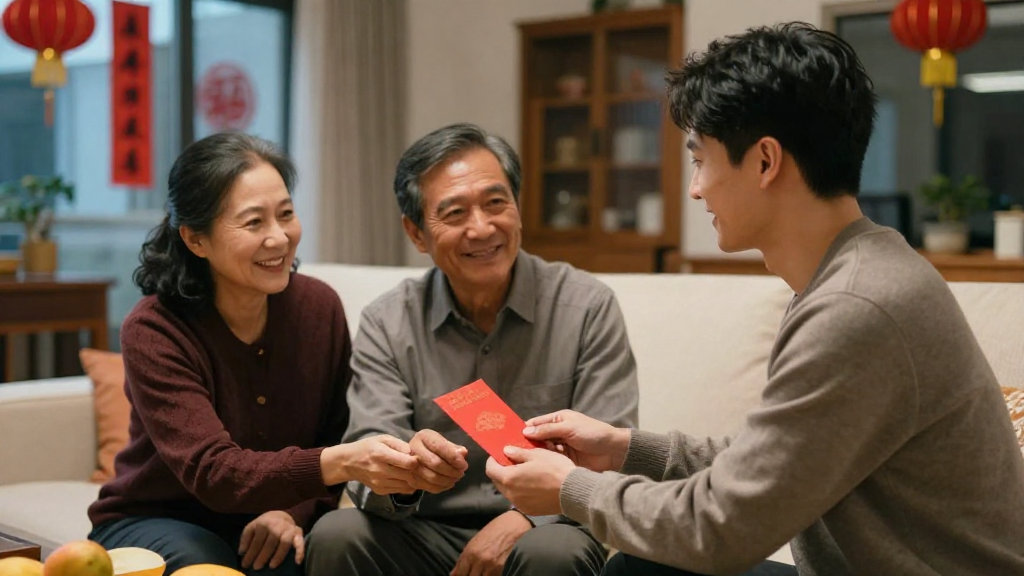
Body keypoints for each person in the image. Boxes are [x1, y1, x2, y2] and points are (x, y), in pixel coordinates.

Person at [486, 22, 1024, 576]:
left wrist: (572, 488)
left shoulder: (858, 306)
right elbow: (768, 468)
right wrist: (622, 447)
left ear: (765, 161)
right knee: (642, 568)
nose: (695, 188)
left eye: (700, 160)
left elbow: (721, 528)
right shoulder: (852, 273)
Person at [305, 123, 639, 576]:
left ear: (518, 209)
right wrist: (405, 473)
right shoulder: (388, 321)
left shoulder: (586, 308)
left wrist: (524, 518)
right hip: (424, 528)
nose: (482, 228)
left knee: (554, 552)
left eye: (496, 203)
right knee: (336, 535)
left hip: (548, 526)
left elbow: (610, 456)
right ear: (417, 233)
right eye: (455, 213)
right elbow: (368, 448)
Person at [88, 132, 422, 575]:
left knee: (298, 557)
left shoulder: (318, 308)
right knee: (204, 566)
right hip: (156, 518)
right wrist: (343, 462)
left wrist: (292, 513)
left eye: (286, 214)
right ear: (195, 239)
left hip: (268, 517)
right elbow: (214, 472)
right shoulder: (155, 329)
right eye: (253, 223)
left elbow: (337, 432)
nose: (279, 238)